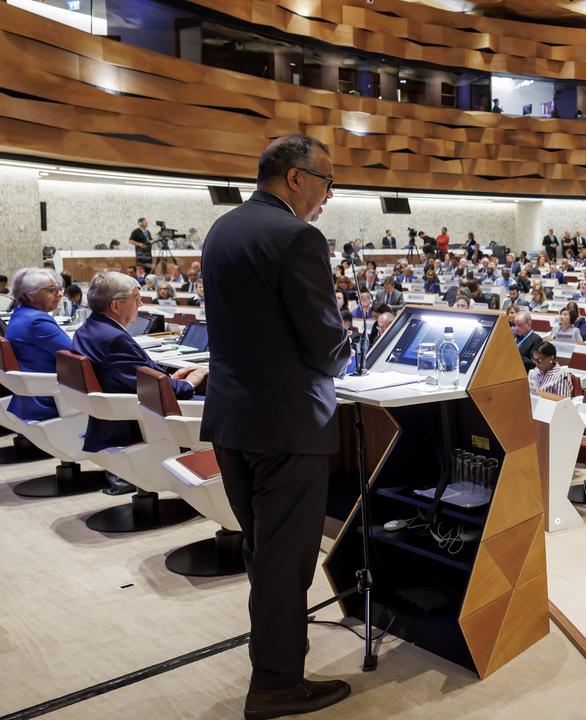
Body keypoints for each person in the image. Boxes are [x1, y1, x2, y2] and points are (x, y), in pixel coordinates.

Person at [199, 135, 353, 717]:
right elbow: (322, 340)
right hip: (286, 423)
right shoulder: (297, 236)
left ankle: (273, 666)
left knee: (263, 556)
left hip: (233, 419)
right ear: (296, 178)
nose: (329, 195)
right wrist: (347, 353)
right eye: (328, 182)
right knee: (286, 562)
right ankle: (275, 684)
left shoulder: (224, 230)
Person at [73, 272, 208, 493]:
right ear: (116, 306)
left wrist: (167, 379)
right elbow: (151, 388)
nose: (141, 302)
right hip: (138, 424)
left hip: (111, 420)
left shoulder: (89, 330)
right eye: (137, 297)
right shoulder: (113, 338)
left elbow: (129, 377)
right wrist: (190, 382)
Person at [5, 268, 73, 423]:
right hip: (48, 400)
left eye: (59, 289)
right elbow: (76, 355)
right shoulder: (37, 321)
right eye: (51, 290)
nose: (60, 294)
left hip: (30, 397)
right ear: (30, 294)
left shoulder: (21, 313)